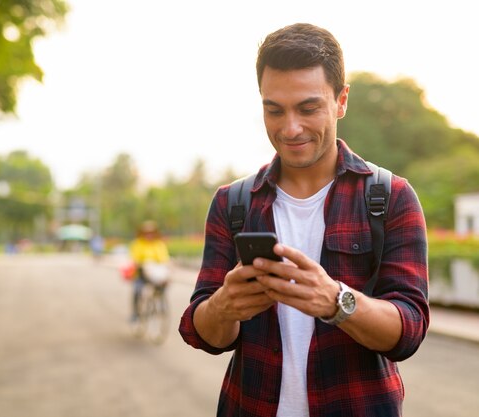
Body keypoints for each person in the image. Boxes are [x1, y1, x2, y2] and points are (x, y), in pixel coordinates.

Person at [178, 23, 429, 417]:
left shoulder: (389, 197)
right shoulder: (233, 203)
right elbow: (203, 333)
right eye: (273, 109)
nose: (289, 128)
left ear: (341, 100)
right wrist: (224, 306)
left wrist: (336, 302)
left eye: (308, 108)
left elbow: (409, 330)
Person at [129, 220, 170, 322]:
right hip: (141, 273)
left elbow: (164, 258)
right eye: (147, 233)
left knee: (164, 283)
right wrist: (141, 264)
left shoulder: (159, 244)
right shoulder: (137, 244)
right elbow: (134, 259)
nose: (149, 235)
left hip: (155, 274)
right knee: (137, 291)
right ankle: (136, 313)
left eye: (151, 233)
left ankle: (161, 304)